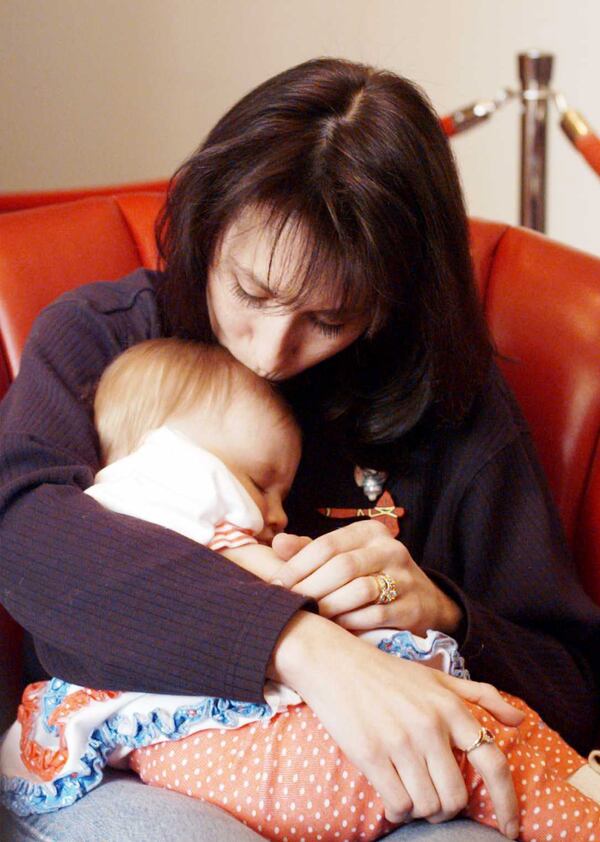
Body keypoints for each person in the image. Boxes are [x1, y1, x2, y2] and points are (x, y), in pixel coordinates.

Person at [0, 57, 599, 842]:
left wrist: (449, 608)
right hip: (133, 762)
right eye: (251, 292)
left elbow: (574, 680)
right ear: (206, 227)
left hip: (388, 791)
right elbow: (23, 530)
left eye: (330, 318)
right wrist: (301, 645)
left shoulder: (450, 403)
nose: (269, 352)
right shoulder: (109, 338)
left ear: (391, 303)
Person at [2, 339, 598, 842]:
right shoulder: (158, 483)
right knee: (481, 764)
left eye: (329, 318)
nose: (277, 515)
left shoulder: (463, 400)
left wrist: (438, 610)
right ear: (170, 450)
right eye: (259, 482)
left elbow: (569, 666)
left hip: (255, 748)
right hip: (207, 750)